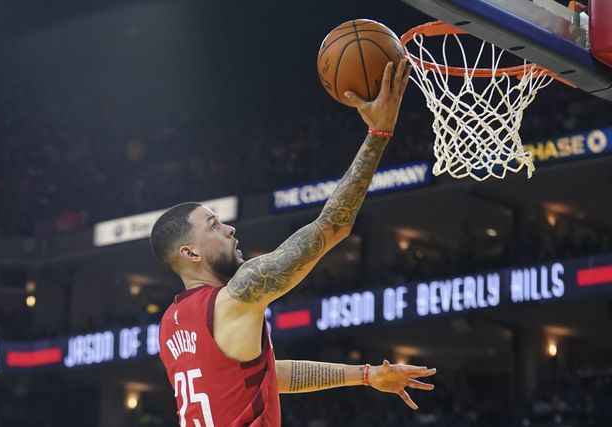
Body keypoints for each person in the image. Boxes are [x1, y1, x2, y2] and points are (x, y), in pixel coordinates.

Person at [150, 59, 436, 426]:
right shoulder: (238, 295)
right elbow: (333, 227)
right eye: (214, 226)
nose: (230, 229)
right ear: (190, 252)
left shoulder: (170, 326)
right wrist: (378, 134)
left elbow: (269, 375)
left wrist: (365, 375)